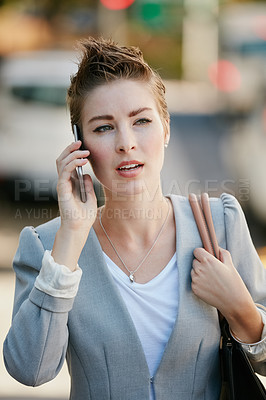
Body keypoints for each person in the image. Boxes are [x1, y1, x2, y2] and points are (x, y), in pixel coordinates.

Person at [3, 37, 266, 400]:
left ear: (166, 128)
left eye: (141, 120)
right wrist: (71, 239)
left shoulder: (220, 223)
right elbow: (29, 370)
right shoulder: (47, 246)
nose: (126, 142)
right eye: (103, 127)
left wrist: (239, 307)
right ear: (80, 147)